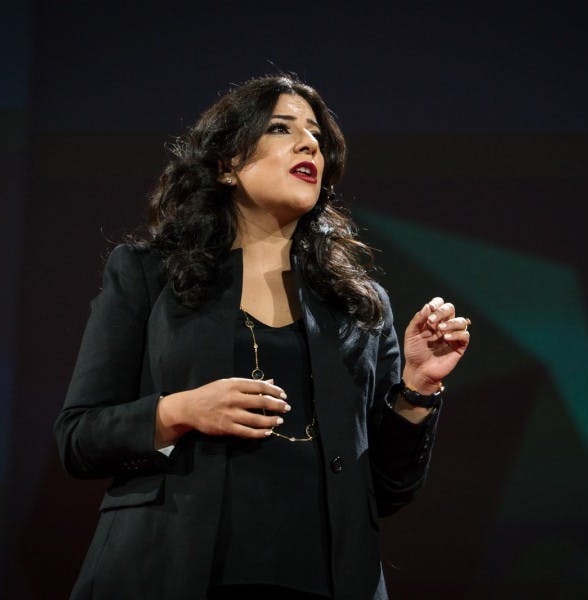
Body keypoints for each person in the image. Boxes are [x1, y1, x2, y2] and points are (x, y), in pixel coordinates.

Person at [54, 74, 470, 600]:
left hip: (324, 581)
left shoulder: (361, 308)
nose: (308, 144)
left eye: (316, 135)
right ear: (227, 164)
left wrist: (416, 389)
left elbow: (386, 490)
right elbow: (78, 438)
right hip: (169, 572)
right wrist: (181, 410)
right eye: (281, 128)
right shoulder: (148, 274)